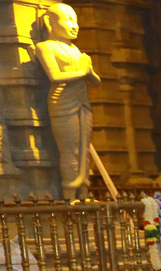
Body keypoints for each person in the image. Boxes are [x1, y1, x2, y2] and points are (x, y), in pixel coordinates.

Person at [34, 3, 99, 201]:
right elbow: (54, 76)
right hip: (62, 102)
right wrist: (83, 72)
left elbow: (95, 81)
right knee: (70, 151)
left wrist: (90, 72)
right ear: (49, 22)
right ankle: (70, 196)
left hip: (82, 103)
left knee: (84, 151)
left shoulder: (76, 50)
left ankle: (84, 193)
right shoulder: (45, 47)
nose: (74, 25)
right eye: (68, 19)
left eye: (76, 20)